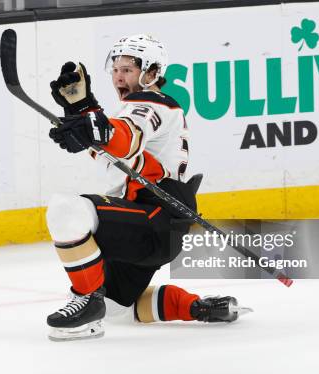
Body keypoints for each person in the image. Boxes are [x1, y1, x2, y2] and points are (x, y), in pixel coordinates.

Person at [45, 34, 244, 341]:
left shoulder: (153, 103)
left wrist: (90, 124)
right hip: (151, 230)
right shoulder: (136, 109)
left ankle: (86, 298)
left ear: (151, 73)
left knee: (67, 211)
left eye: (128, 69)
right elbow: (112, 146)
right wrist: (82, 110)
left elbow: (125, 139)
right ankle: (197, 307)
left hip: (152, 220)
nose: (118, 76)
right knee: (116, 310)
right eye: (115, 69)